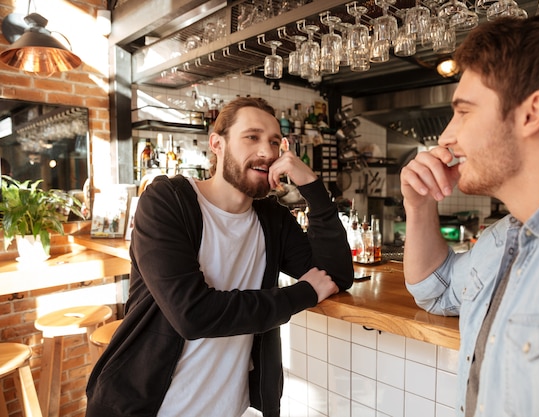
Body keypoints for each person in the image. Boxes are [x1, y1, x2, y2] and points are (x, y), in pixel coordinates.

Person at [400, 8, 539, 417]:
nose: (447, 136)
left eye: (464, 111)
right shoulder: (504, 236)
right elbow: (436, 291)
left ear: (530, 113)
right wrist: (418, 207)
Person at [86, 97, 353, 417]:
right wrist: (302, 294)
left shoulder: (272, 220)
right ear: (217, 144)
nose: (267, 153)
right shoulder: (167, 202)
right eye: (251, 137)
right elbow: (193, 314)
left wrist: (312, 186)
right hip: (149, 406)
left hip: (231, 408)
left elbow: (335, 274)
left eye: (273, 142)